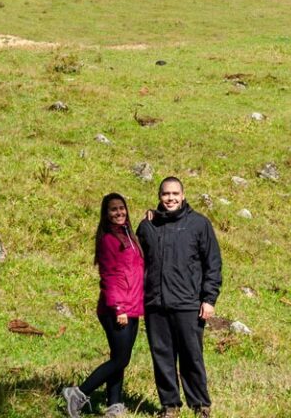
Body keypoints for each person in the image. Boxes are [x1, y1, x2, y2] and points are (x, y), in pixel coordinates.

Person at [137, 176, 222, 418]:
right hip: (156, 304)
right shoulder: (148, 226)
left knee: (191, 357)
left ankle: (201, 406)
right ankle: (170, 406)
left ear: (183, 196)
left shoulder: (199, 224)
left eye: (175, 194)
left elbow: (212, 263)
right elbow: (135, 261)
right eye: (166, 194)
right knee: (162, 357)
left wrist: (209, 299)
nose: (170, 198)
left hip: (188, 304)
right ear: (159, 196)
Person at [62, 192, 144, 418]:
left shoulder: (128, 235)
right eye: (113, 209)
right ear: (106, 214)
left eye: (121, 208)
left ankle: (114, 405)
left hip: (133, 306)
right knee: (120, 359)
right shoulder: (109, 239)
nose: (119, 212)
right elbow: (109, 275)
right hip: (117, 309)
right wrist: (119, 308)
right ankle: (78, 393)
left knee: (120, 357)